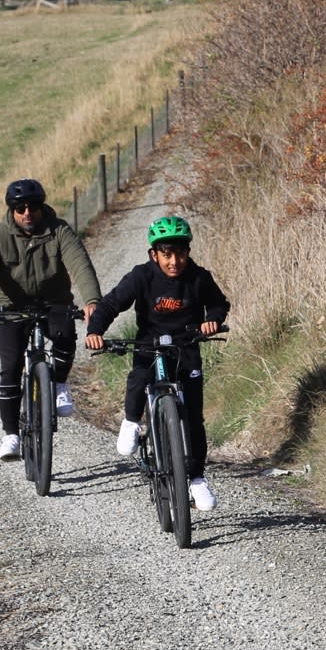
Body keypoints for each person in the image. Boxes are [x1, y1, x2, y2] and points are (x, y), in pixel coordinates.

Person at [85, 216, 230, 511]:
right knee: (139, 379)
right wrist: (94, 332)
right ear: (154, 254)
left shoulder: (199, 277)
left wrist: (212, 320)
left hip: (186, 347)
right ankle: (130, 422)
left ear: (188, 252)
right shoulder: (141, 276)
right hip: (149, 345)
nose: (174, 261)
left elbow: (219, 303)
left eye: (180, 253)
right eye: (167, 254)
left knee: (193, 418)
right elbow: (111, 303)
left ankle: (197, 479)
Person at [0, 178, 101, 461]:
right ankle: (11, 435)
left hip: (54, 300)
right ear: (12, 210)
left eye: (33, 207)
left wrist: (92, 301)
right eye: (20, 208)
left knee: (64, 336)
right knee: (11, 367)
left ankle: (60, 384)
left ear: (42, 207)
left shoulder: (59, 230)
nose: (27, 213)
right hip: (11, 306)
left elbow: (80, 264)